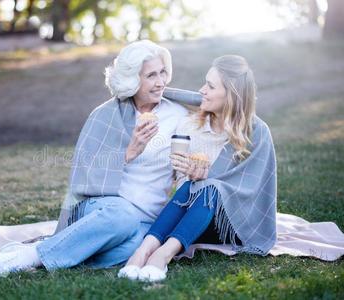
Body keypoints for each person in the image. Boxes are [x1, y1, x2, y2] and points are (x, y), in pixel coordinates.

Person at [0, 40, 202, 276]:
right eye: (151, 75)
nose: (160, 82)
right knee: (122, 215)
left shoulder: (177, 115)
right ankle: (33, 256)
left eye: (162, 72)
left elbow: (182, 170)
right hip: (104, 208)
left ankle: (51, 251)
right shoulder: (105, 115)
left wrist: (192, 169)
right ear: (132, 80)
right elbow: (85, 172)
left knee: (137, 247)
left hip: (145, 219)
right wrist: (130, 152)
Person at [118, 55, 277, 282]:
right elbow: (183, 185)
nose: (202, 90)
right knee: (196, 185)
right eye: (205, 83)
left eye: (210, 86)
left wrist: (207, 179)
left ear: (231, 94)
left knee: (210, 187)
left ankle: (163, 255)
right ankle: (142, 252)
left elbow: (254, 192)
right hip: (195, 218)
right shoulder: (191, 126)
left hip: (234, 222)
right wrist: (191, 175)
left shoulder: (256, 132)